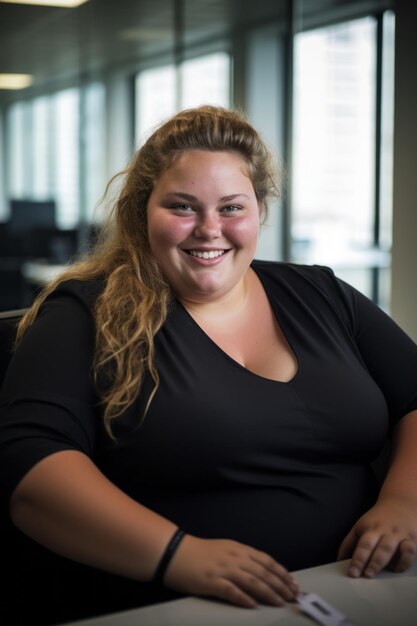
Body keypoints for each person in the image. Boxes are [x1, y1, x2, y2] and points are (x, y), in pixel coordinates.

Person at [1, 105, 417, 625]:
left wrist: (404, 502)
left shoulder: (323, 293)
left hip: (360, 592)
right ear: (141, 211)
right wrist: (178, 554)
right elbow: (33, 473)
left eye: (231, 208)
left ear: (259, 210)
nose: (208, 229)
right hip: (177, 606)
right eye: (182, 207)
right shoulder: (83, 314)